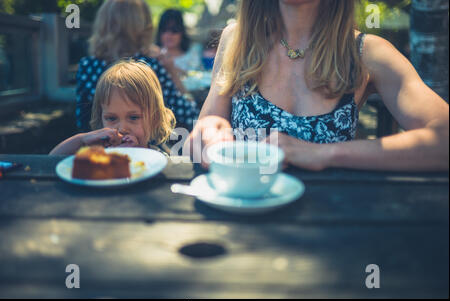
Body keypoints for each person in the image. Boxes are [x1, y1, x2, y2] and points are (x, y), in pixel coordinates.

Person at [185, 0, 449, 171]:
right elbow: (206, 128)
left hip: (333, 231)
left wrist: (326, 154)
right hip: (242, 221)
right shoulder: (237, 40)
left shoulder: (367, 53)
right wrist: (206, 133)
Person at [76, 0, 198, 133]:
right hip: (144, 149)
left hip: (101, 146)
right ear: (143, 26)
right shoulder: (149, 66)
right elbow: (190, 114)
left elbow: (82, 120)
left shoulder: (87, 65)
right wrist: (173, 74)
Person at [50, 60, 175, 155]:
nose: (122, 129)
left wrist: (137, 153)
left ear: (155, 117)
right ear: (101, 117)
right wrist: (82, 140)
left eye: (133, 117)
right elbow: (51, 160)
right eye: (111, 118)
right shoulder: (98, 154)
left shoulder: (159, 158)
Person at [155, 9, 203, 77]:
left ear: (182, 31)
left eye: (174, 30)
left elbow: (198, 78)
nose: (169, 35)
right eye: (164, 30)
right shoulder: (153, 55)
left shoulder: (195, 51)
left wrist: (171, 68)